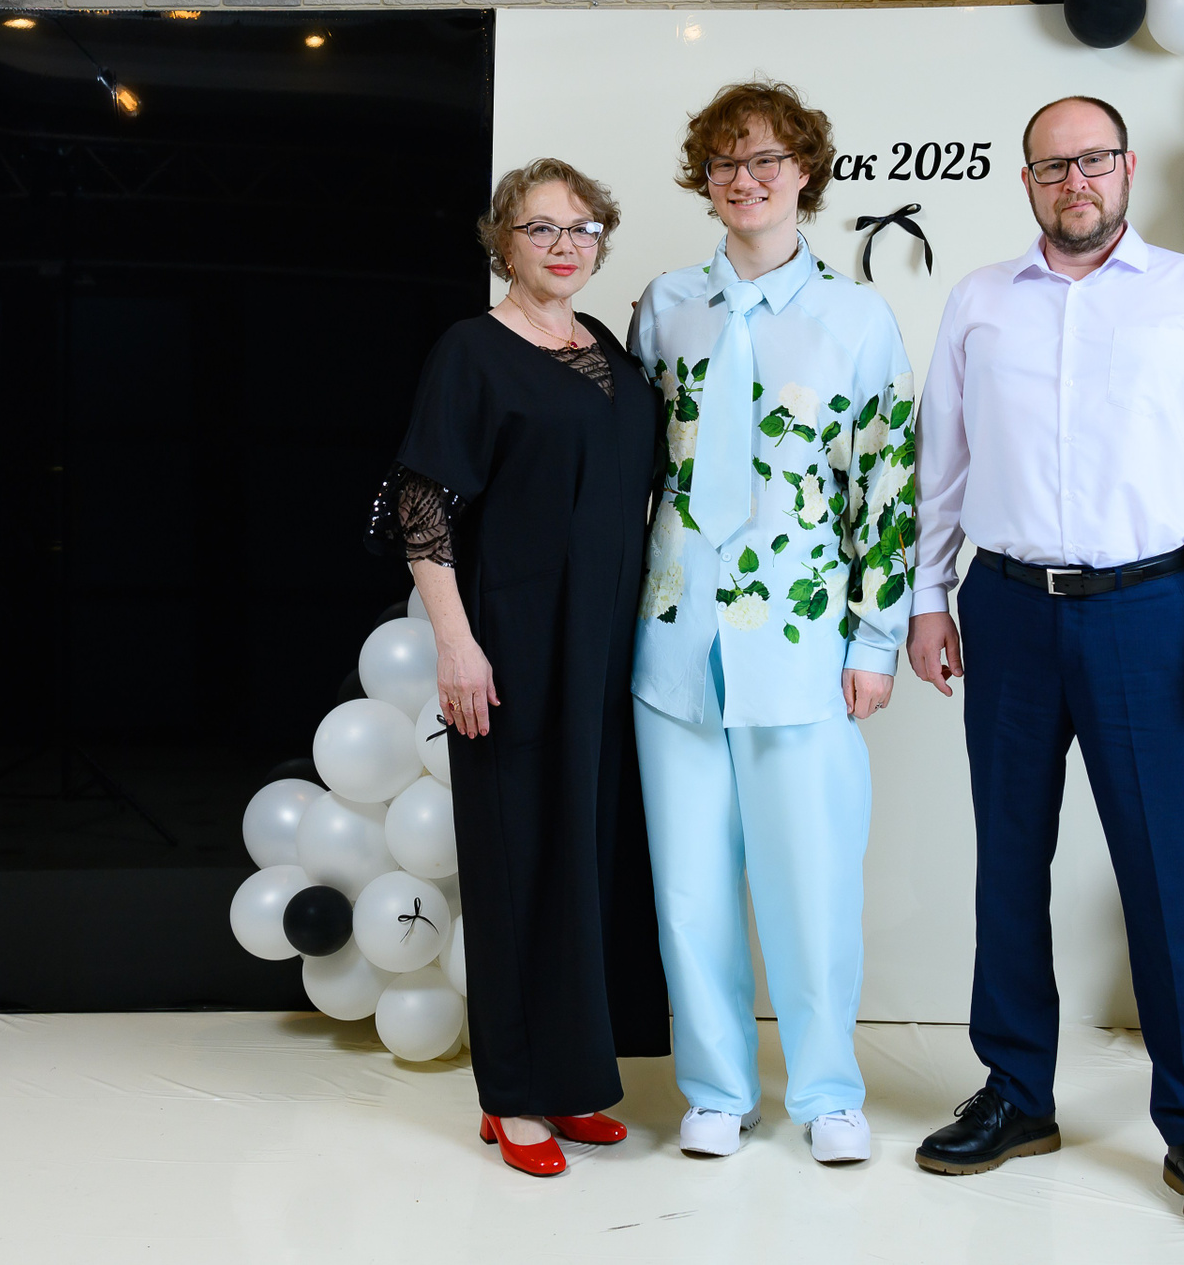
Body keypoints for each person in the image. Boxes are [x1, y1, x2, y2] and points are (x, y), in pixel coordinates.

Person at [906, 96, 1184, 1239]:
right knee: (1007, 862)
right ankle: (1017, 1093)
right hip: (1007, 609)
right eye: (1051, 166)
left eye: (1093, 161)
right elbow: (942, 463)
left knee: (1167, 875)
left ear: (1125, 169)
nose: (1074, 181)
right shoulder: (979, 300)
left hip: (1146, 613)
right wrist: (927, 596)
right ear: (1027, 181)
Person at [628, 81, 915, 1166]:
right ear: (704, 180)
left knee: (813, 883)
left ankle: (828, 1090)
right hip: (674, 638)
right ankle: (714, 1088)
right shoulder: (665, 306)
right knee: (689, 885)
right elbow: (633, 467)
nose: (744, 180)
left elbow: (888, 487)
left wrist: (876, 641)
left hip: (802, 642)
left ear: (805, 173)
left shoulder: (858, 318)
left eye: (766, 161)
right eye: (724, 163)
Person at [366, 159, 669, 1179]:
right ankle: (511, 1097)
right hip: (515, 645)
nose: (564, 245)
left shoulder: (605, 346)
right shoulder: (473, 350)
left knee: (584, 860)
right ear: (504, 241)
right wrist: (456, 643)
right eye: (541, 228)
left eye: (583, 228)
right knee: (517, 864)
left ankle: (570, 1079)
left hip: (605, 648)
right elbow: (422, 504)